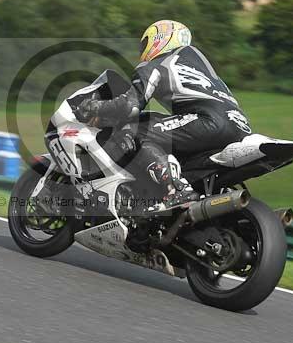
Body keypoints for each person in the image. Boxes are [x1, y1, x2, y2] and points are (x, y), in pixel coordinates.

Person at [75, 20, 253, 211]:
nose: (143, 51)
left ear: (160, 39)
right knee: (162, 133)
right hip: (240, 126)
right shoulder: (198, 66)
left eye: (145, 44)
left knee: (136, 131)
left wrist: (96, 107)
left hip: (208, 121)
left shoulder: (158, 64)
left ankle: (176, 190)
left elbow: (130, 106)